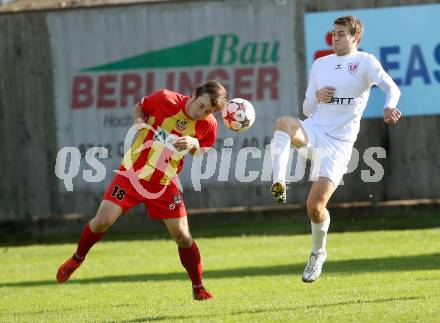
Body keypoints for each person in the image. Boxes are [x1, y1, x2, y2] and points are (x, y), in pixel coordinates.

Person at [56, 80, 228, 300]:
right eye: (201, 105)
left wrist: (194, 145)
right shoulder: (165, 99)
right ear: (193, 94)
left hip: (164, 182)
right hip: (131, 174)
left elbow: (203, 152)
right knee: (102, 221)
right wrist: (138, 121)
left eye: (209, 111)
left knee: (183, 237)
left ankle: (198, 288)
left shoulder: (208, 124)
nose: (201, 113)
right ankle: (77, 258)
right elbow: (139, 107)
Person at [270, 16, 401, 282]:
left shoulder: (365, 62)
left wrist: (389, 105)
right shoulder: (321, 64)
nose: (335, 38)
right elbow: (306, 109)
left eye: (341, 34)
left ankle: (318, 253)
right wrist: (317, 97)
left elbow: (391, 87)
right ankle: (279, 182)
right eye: (333, 33)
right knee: (284, 122)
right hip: (315, 131)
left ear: (356, 38)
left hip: (339, 145)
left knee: (315, 207)